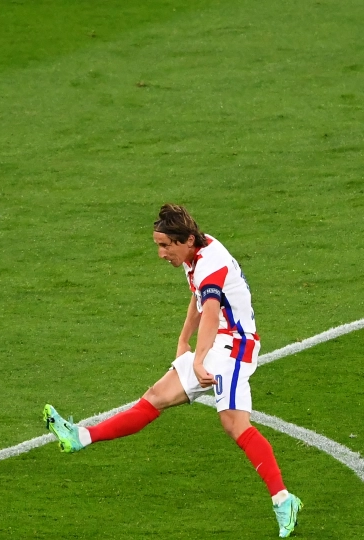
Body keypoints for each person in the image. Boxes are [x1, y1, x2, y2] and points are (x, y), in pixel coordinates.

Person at [44, 204, 302, 538]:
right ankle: (80, 437)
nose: (161, 253)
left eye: (165, 245)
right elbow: (199, 299)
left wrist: (198, 358)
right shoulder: (196, 256)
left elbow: (211, 312)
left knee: (234, 424)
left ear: (187, 239)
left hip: (235, 346)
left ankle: (283, 501)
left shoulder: (211, 262)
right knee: (156, 396)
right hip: (218, 341)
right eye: (158, 245)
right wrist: (183, 340)